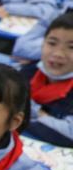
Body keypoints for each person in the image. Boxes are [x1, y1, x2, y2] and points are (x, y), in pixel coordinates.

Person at [20, 12, 73, 147]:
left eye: (71, 47)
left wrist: (32, 112)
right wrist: (41, 115)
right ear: (42, 44)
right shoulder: (27, 72)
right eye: (52, 43)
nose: (58, 53)